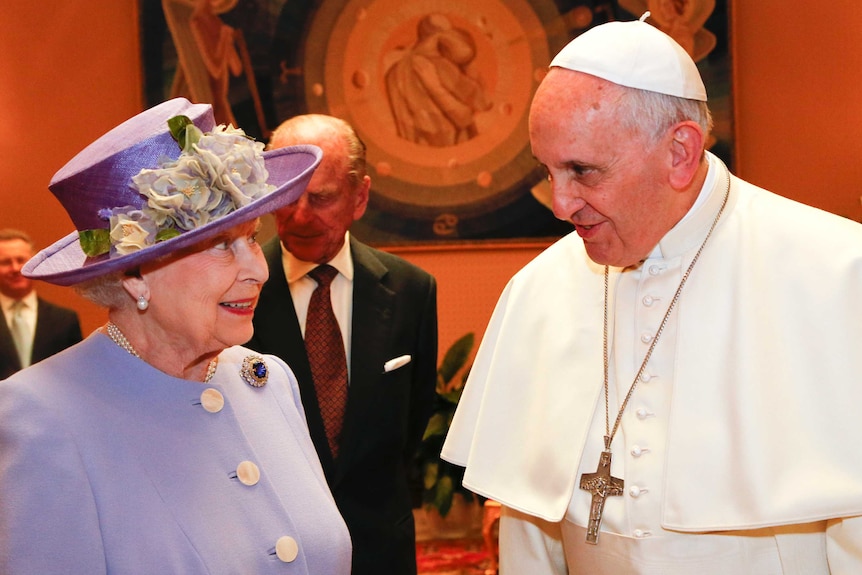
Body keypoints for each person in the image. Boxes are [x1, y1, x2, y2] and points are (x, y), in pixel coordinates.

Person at [441, 14, 862, 574]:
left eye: (583, 171)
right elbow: (530, 524)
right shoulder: (540, 289)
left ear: (680, 153)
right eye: (547, 171)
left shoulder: (833, 272)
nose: (560, 205)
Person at [0, 98, 352, 574]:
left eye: (251, 236)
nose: (258, 269)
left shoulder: (269, 383)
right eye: (221, 246)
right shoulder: (40, 416)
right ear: (134, 276)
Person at [246, 114, 438, 575]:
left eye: (322, 198)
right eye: (288, 196)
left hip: (380, 547)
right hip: (270, 547)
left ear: (361, 196)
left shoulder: (411, 291)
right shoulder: (239, 293)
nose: (300, 215)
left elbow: (411, 425)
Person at [0, 228, 82, 379]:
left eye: (21, 260)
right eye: (5, 262)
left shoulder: (65, 320)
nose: (15, 268)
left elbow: (75, 374)